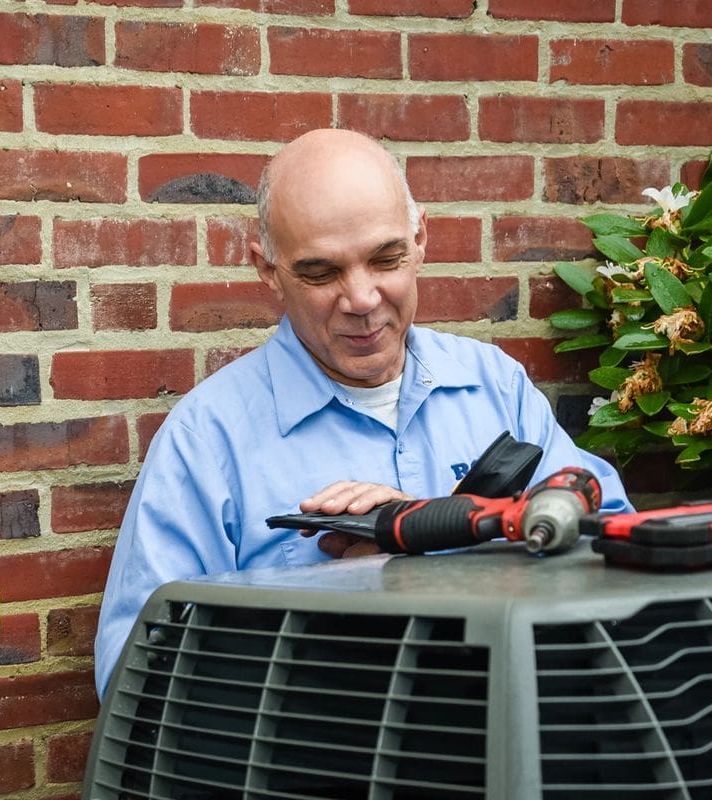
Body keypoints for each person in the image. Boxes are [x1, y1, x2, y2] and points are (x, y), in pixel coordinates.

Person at [93, 129, 630, 695]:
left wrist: (431, 543)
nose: (362, 299)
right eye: (321, 273)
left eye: (386, 258)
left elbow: (616, 556)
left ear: (420, 236)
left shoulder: (496, 386)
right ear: (267, 269)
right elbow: (136, 675)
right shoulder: (207, 440)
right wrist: (338, 607)